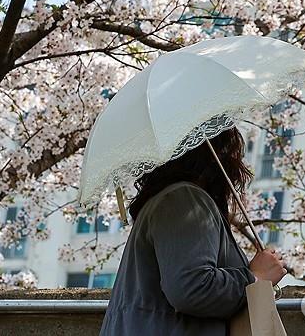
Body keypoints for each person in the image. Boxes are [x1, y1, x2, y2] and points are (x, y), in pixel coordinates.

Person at [99, 127, 287, 336]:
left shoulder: (169, 201)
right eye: (234, 151)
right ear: (215, 152)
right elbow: (191, 288)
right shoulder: (183, 200)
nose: (239, 162)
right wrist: (255, 277)